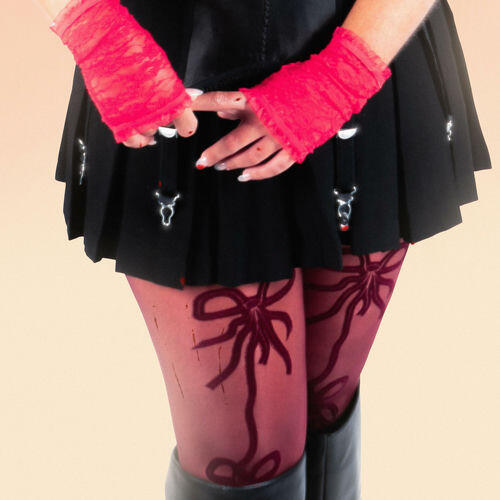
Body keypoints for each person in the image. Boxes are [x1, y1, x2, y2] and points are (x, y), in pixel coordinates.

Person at [38, 0, 491, 498]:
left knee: (326, 405)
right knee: (245, 461)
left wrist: (340, 79)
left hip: (369, 41)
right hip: (170, 80)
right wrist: (99, 34)